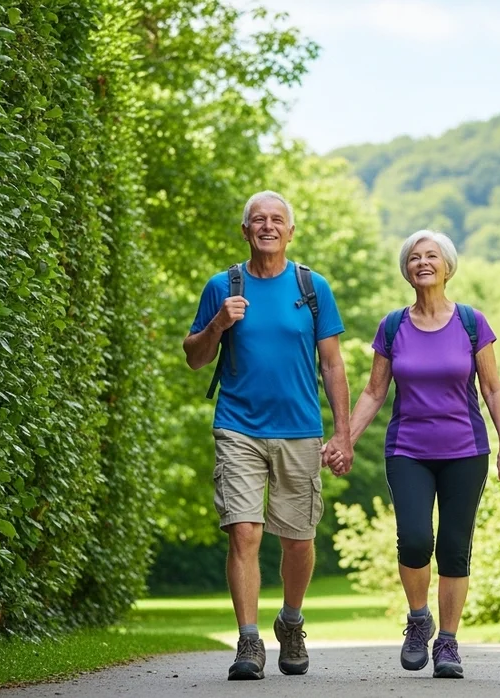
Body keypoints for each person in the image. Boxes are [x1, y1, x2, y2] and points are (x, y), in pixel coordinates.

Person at [330, 229, 500, 679]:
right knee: (415, 539)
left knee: (454, 546)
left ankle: (448, 642)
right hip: (408, 450)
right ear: (406, 270)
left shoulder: (471, 322)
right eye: (414, 258)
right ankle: (419, 620)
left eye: (432, 256)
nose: (423, 263)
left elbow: (492, 388)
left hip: (465, 451)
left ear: (447, 267)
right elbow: (374, 392)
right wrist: (345, 440)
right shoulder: (393, 326)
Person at [183, 190, 353, 681]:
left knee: (298, 539)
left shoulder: (312, 286)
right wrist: (218, 323)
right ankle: (249, 639)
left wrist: (342, 434)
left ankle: (291, 622)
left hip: (300, 429)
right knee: (244, 530)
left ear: (290, 231)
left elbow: (332, 365)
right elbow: (194, 357)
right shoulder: (223, 286)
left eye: (277, 219)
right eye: (258, 219)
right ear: (245, 231)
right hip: (238, 426)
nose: (268, 226)